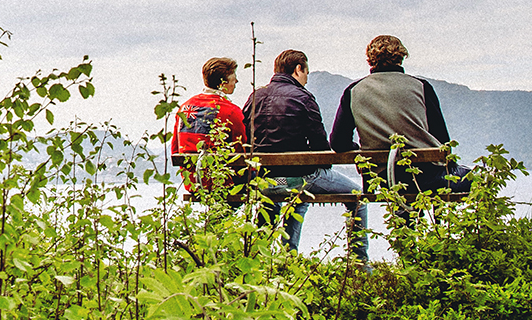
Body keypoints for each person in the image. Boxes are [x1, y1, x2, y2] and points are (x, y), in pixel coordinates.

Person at [243, 49, 368, 259]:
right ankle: (359, 261)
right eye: (306, 73)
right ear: (298, 68)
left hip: (266, 180)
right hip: (299, 178)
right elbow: (321, 146)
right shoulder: (303, 97)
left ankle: (259, 259)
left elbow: (246, 135)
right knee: (357, 196)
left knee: (288, 196)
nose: (307, 80)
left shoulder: (256, 96)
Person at [328, 34, 471, 197]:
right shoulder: (421, 87)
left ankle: (407, 222)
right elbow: (442, 141)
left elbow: (338, 143)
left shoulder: (353, 91)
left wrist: (360, 149)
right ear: (401, 57)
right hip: (427, 176)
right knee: (477, 180)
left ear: (370, 59)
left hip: (383, 178)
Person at [171, 57, 248, 191]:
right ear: (223, 83)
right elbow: (242, 148)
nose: (236, 81)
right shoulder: (231, 111)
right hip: (223, 182)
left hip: (193, 183)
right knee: (270, 181)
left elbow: (175, 148)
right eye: (233, 78)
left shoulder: (184, 108)